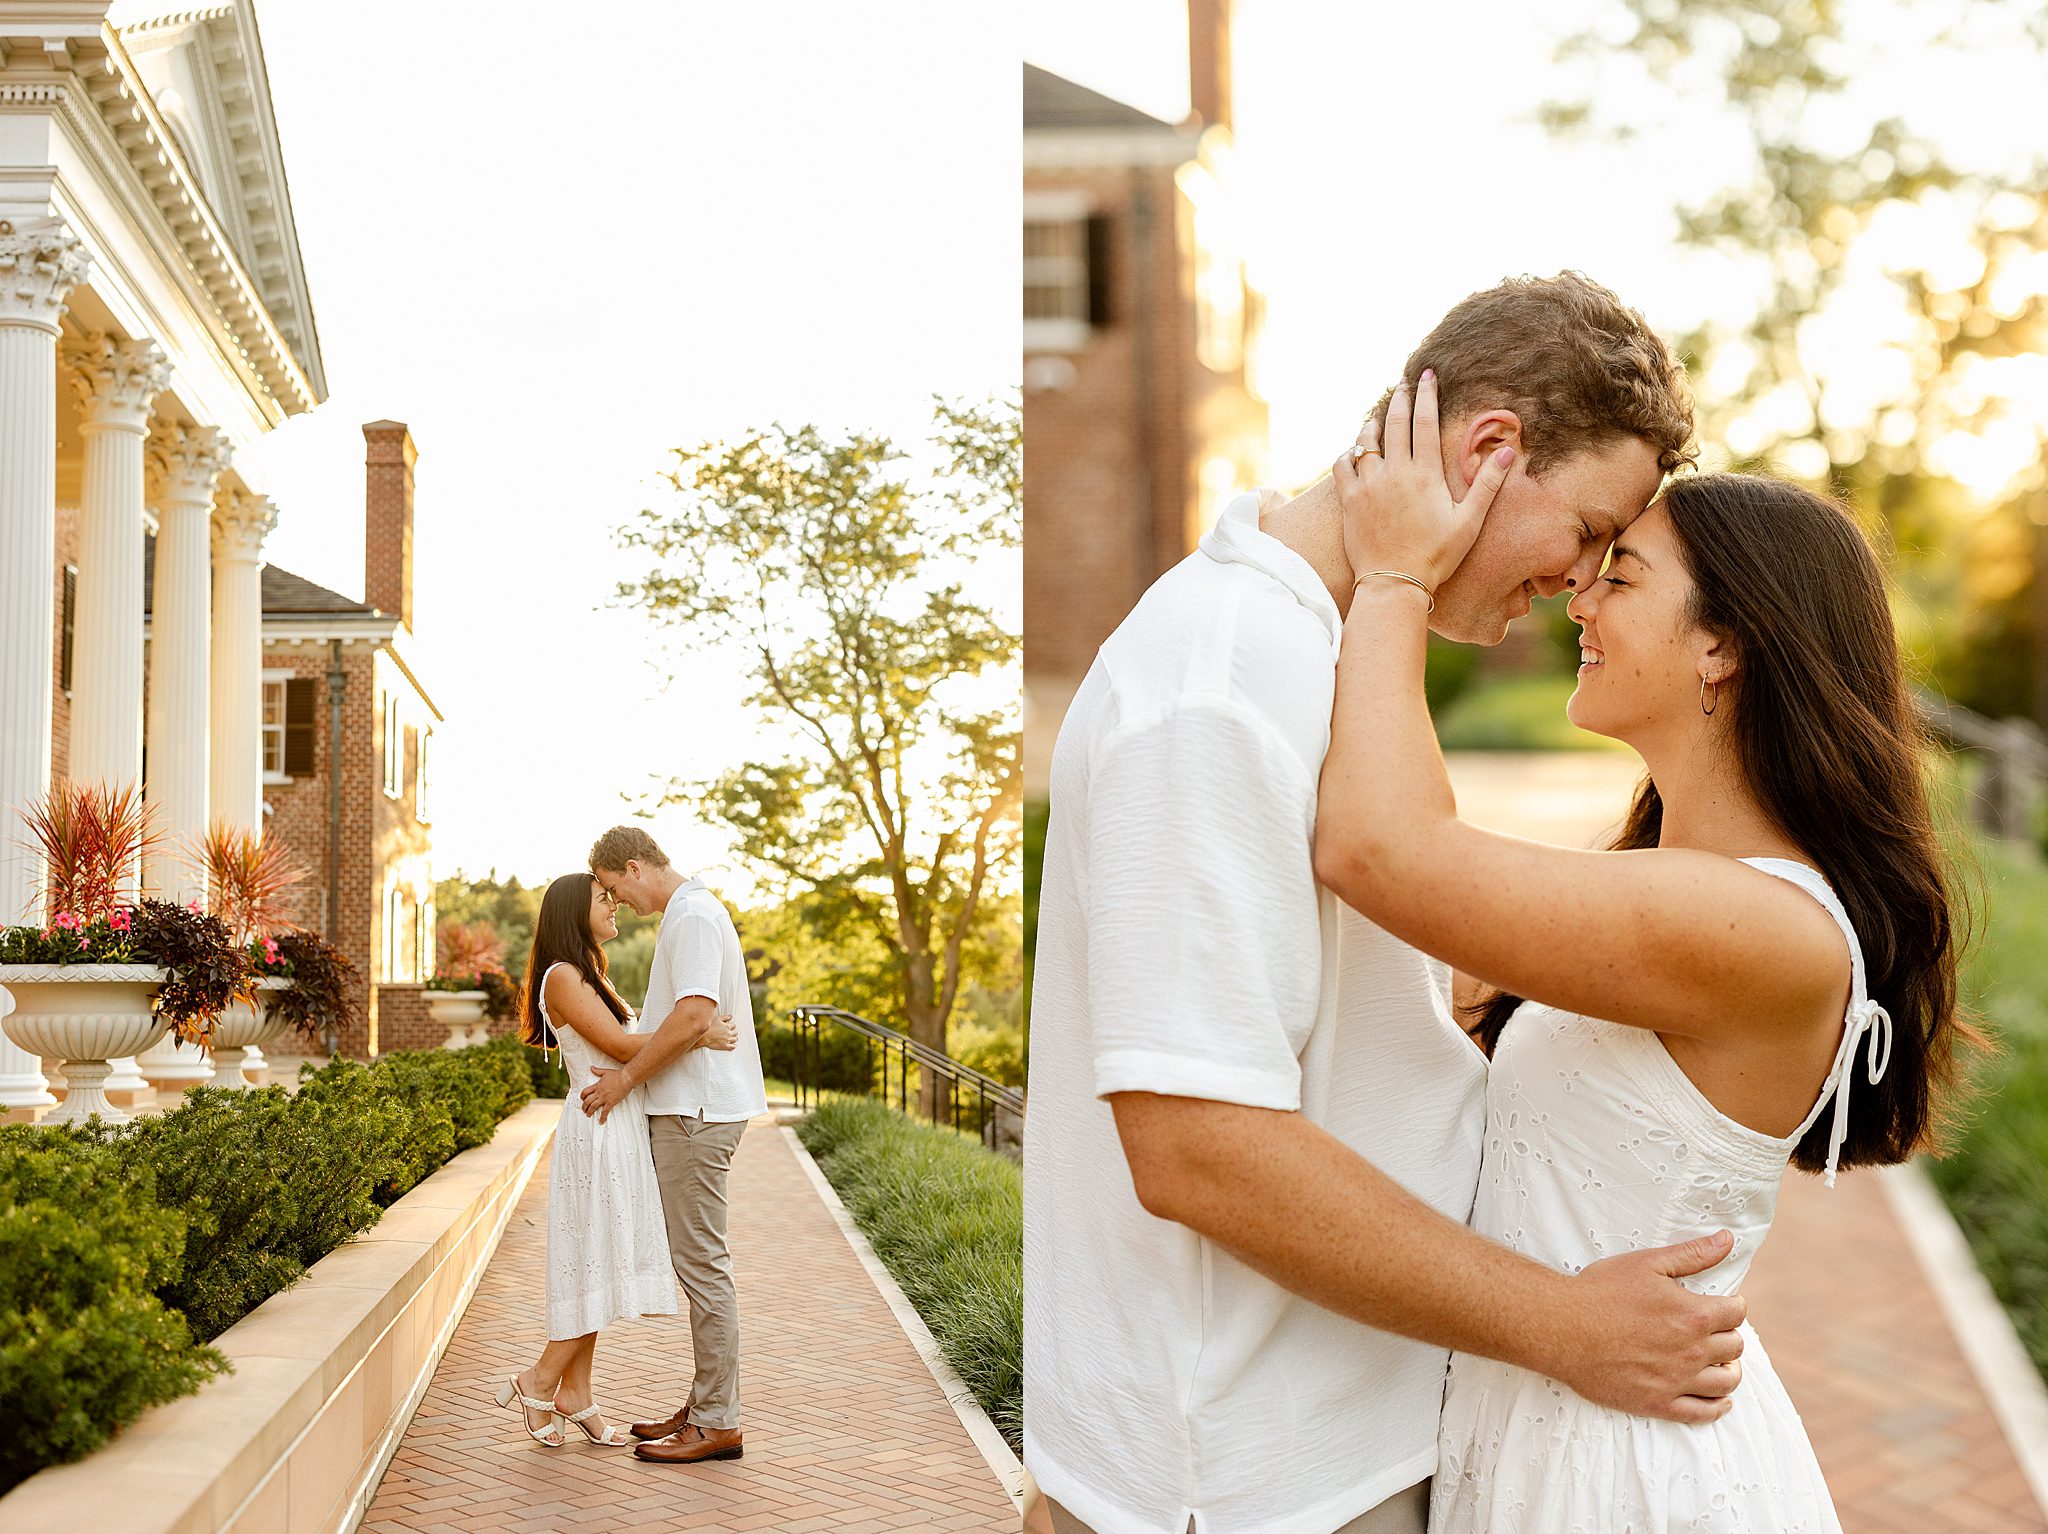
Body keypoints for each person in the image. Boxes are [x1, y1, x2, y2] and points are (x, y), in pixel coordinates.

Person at [1024, 273, 1743, 1534]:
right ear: (1487, 451)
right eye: (1584, 529)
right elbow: (1196, 1145)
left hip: (1328, 1446)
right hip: (1249, 1483)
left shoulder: (1325, 649)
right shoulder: (1222, 679)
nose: (1578, 584)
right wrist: (1562, 1322)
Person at [1316, 374, 1975, 1531]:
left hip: (1622, 1473)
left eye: (1616, 574)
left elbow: (1382, 849)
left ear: (1721, 645)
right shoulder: (1668, 894)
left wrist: (1389, 577)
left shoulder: (1756, 925)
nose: (1577, 595)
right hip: (1546, 1424)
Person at [491, 871, 738, 1447]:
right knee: (602, 1260)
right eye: (604, 899)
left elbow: (631, 1045)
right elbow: (627, 1048)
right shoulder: (561, 978)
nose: (615, 905)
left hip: (615, 1124)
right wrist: (699, 1032)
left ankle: (575, 1395)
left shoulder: (589, 975)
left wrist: (685, 1033)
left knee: (596, 1259)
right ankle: (539, 1378)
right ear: (575, 911)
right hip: (596, 1129)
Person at [579, 826, 768, 1465]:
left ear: (633, 867)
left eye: (612, 887)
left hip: (696, 1111)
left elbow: (693, 1015)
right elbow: (690, 1020)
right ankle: (707, 1402)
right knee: (698, 1263)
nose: (618, 903)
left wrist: (626, 1079)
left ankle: (718, 1420)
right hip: (697, 1107)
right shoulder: (696, 910)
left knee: (702, 1265)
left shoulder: (689, 916)